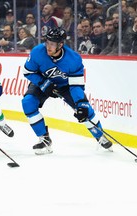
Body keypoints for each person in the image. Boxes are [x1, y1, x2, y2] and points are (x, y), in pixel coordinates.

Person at [22, 27, 113, 155]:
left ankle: (100, 136)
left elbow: (76, 85)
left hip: (66, 85)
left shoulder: (74, 59)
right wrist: (43, 84)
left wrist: (80, 103)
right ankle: (44, 139)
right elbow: (28, 72)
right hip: (43, 81)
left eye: (52, 44)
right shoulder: (37, 52)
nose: (48, 47)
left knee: (84, 109)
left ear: (60, 44)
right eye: (47, 42)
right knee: (28, 103)